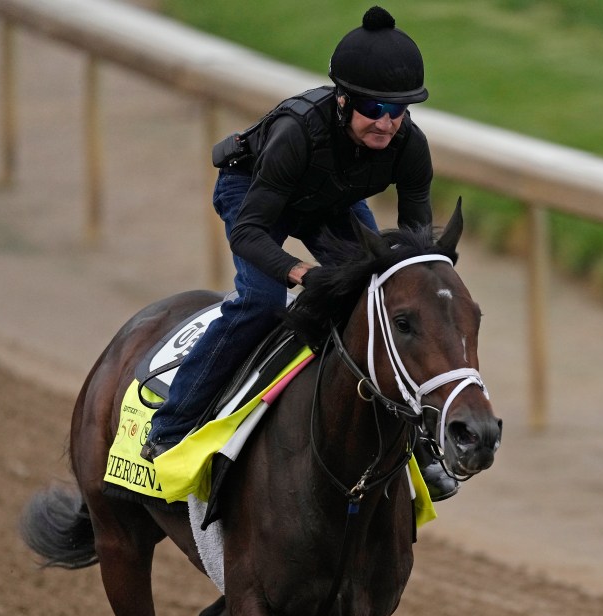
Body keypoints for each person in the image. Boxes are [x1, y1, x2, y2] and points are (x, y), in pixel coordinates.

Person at [141, 6, 458, 500]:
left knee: (381, 302)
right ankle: (169, 428)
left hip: (329, 201)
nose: (386, 124)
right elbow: (249, 233)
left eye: (398, 112)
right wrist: (298, 271)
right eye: (373, 110)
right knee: (262, 302)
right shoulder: (296, 134)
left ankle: (414, 448)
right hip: (253, 194)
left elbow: (415, 253)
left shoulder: (410, 145)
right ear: (342, 99)